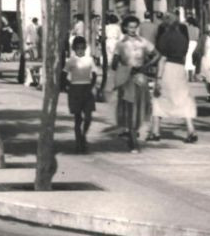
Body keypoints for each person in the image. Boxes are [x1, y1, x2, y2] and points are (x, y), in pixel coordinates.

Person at [110, 15, 159, 152]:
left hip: (141, 78)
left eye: (135, 27)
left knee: (141, 108)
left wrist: (146, 65)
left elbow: (157, 54)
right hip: (127, 80)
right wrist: (121, 64)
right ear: (125, 27)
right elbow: (114, 65)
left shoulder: (143, 42)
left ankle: (133, 133)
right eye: (130, 27)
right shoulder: (120, 44)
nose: (133, 29)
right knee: (130, 109)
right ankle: (133, 140)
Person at [151, 9, 198, 143]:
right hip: (180, 68)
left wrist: (158, 79)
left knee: (158, 98)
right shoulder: (183, 29)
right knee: (183, 98)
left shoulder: (163, 31)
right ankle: (191, 129)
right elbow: (186, 47)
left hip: (166, 68)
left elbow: (162, 56)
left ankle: (155, 131)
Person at [64, 35, 99, 153]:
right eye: (78, 48)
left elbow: (94, 74)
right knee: (78, 118)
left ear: (85, 48)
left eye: (82, 48)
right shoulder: (71, 61)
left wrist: (92, 85)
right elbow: (63, 75)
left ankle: (84, 135)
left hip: (87, 89)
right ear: (73, 48)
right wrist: (69, 86)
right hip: (75, 89)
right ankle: (79, 142)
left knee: (88, 117)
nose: (80, 50)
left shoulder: (89, 60)